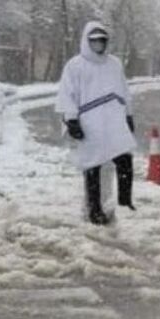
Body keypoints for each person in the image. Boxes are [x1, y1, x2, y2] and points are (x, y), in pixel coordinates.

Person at [56, 21, 137, 225]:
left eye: (102, 41)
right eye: (94, 41)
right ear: (87, 41)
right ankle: (94, 209)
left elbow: (124, 91)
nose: (98, 44)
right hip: (90, 123)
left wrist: (128, 115)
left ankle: (125, 200)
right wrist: (72, 120)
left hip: (114, 120)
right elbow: (67, 94)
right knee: (93, 167)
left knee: (124, 158)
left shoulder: (114, 64)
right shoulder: (75, 65)